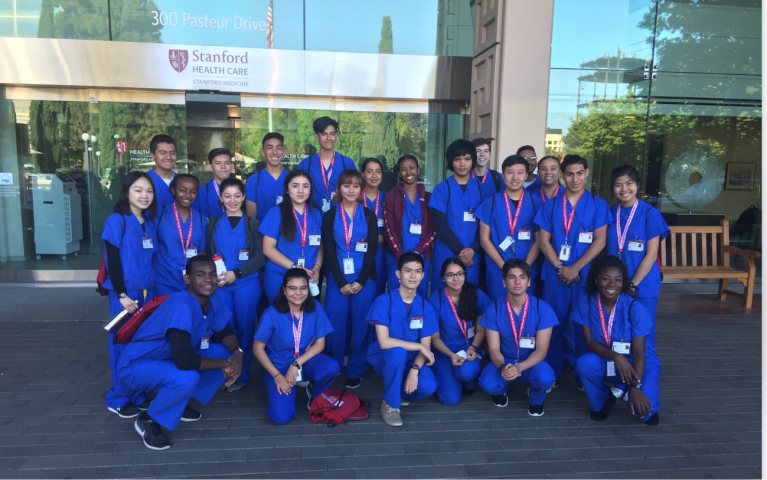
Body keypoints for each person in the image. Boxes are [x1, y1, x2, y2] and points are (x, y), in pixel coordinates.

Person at [118, 255, 244, 450]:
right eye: (200, 275)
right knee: (187, 377)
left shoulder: (211, 302)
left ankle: (176, 401)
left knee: (221, 351)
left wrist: (237, 353)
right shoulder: (181, 304)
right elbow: (185, 360)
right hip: (138, 365)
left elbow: (225, 331)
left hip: (167, 360)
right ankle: (148, 420)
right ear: (187, 279)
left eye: (212, 274)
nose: (208, 279)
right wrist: (228, 365)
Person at [534, 155, 611, 386]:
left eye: (579, 173)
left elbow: (600, 241)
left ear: (587, 173)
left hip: (586, 277)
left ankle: (583, 374)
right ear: (561, 175)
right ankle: (552, 372)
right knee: (552, 325)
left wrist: (575, 268)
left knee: (583, 327)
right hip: (555, 277)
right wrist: (561, 267)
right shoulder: (551, 205)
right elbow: (543, 241)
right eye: (569, 174)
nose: (574, 179)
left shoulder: (598, 204)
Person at [571, 255, 661, 425]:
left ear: (623, 282)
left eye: (618, 280)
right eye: (606, 279)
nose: (612, 284)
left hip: (638, 361)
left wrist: (636, 386)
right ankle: (603, 400)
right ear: (596, 280)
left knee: (647, 414)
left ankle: (632, 388)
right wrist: (617, 357)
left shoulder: (635, 308)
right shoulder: (586, 304)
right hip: (609, 359)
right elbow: (589, 344)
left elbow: (640, 352)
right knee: (584, 364)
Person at [101, 171, 157, 419]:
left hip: (148, 290)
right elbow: (112, 259)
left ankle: (137, 393)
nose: (144, 195)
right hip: (127, 294)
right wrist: (122, 293)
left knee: (142, 343)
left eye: (149, 191)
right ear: (126, 192)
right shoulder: (117, 221)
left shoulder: (149, 222)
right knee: (121, 343)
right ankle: (118, 397)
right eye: (138, 190)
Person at [253, 269, 339, 425]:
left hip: (304, 361)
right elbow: (257, 348)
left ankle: (315, 393)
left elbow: (320, 345)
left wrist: (296, 363)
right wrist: (277, 376)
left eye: (303, 287)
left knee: (331, 366)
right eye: (292, 288)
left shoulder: (315, 308)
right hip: (279, 366)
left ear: (308, 288)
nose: (298, 293)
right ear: (284, 290)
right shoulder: (271, 313)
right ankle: (283, 389)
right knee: (281, 417)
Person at [206, 178, 266, 392]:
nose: (233, 201)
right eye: (227, 196)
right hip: (220, 285)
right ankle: (224, 370)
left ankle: (243, 373)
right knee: (223, 328)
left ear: (244, 197)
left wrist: (237, 273)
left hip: (246, 283)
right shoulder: (212, 224)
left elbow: (260, 258)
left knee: (245, 328)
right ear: (220, 198)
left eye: (237, 196)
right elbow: (207, 255)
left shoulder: (253, 224)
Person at [322, 169, 379, 388]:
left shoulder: (368, 215)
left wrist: (361, 281)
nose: (351, 190)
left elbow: (372, 250)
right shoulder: (330, 215)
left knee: (362, 325)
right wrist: (341, 282)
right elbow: (328, 250)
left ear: (361, 189)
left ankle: (357, 368)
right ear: (339, 189)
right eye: (346, 186)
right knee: (335, 322)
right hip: (338, 277)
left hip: (363, 277)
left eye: (356, 186)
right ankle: (334, 365)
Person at [367, 252, 438, 427]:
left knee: (428, 386)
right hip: (386, 357)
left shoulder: (426, 308)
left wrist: (415, 369)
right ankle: (391, 405)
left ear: (423, 275)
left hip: (412, 360)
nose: (413, 275)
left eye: (417, 271)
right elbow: (384, 342)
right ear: (398, 274)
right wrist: (418, 347)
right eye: (408, 270)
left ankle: (399, 391)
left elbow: (426, 347)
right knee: (398, 353)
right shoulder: (383, 301)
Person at [478, 260, 557, 414]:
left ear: (529, 282)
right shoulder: (494, 309)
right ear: (503, 282)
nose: (517, 282)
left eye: (522, 277)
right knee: (487, 382)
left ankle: (536, 400)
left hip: (533, 362)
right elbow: (493, 349)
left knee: (545, 378)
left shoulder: (543, 309)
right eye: (511, 277)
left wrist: (519, 367)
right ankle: (499, 392)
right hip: (505, 360)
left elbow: (541, 351)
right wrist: (502, 367)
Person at [607, 165, 669, 343]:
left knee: (643, 328)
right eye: (618, 185)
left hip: (643, 283)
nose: (624, 189)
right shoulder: (610, 214)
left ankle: (644, 368)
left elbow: (651, 255)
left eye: (629, 183)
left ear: (638, 185)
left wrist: (633, 285)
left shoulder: (650, 214)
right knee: (617, 326)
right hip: (615, 283)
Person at [427, 258, 491, 405]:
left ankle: (469, 381)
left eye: (459, 274)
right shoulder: (435, 300)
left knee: (466, 373)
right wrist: (450, 355)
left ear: (465, 275)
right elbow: (435, 338)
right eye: (450, 275)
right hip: (444, 351)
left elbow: (481, 329)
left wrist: (473, 347)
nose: (456, 279)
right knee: (450, 399)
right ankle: (448, 375)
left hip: (469, 346)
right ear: (443, 277)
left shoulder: (475, 294)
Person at [478, 155, 542, 300]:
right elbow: (484, 239)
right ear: (502, 175)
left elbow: (540, 240)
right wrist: (504, 267)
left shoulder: (536, 204)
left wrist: (524, 268)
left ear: (526, 175)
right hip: (498, 269)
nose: (515, 177)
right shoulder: (491, 203)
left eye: (520, 172)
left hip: (527, 268)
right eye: (509, 172)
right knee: (498, 309)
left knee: (525, 311)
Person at [260, 170, 323, 304]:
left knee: (303, 319)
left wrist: (316, 268)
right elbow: (267, 249)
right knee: (281, 318)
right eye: (295, 186)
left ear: (310, 190)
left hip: (307, 278)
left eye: (305, 186)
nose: (300, 190)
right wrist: (295, 268)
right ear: (287, 189)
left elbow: (320, 247)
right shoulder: (276, 213)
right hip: (279, 277)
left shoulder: (316, 214)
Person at [429, 139, 483, 292]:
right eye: (457, 159)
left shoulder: (483, 190)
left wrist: (472, 250)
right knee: (443, 299)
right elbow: (440, 226)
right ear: (450, 162)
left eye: (467, 159)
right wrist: (463, 253)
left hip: (472, 256)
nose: (462, 163)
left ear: (473, 161)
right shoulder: (442, 189)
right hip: (447, 254)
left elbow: (485, 226)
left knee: (469, 299)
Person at [383, 155, 435, 299]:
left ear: (418, 170)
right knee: (397, 296)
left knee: (420, 296)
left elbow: (433, 228)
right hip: (396, 256)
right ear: (399, 173)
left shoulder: (428, 197)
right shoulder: (391, 196)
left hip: (422, 255)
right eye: (403, 169)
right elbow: (389, 229)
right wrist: (401, 255)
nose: (408, 172)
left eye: (412, 168)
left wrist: (419, 251)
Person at [152, 174, 207, 296]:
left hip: (190, 283)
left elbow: (202, 252)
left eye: (193, 191)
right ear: (173, 190)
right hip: (163, 280)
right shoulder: (159, 215)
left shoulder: (200, 218)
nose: (187, 195)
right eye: (182, 190)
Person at [296, 117, 357, 212]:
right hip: (312, 218)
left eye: (332, 134)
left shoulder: (347, 163)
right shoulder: (306, 165)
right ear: (316, 137)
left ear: (336, 136)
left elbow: (357, 191)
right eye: (324, 134)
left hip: (340, 219)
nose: (329, 138)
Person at [245, 133, 289, 222]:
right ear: (263, 152)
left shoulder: (293, 178)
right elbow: (251, 218)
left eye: (279, 148)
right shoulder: (253, 181)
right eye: (269, 148)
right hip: (261, 234)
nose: (275, 152)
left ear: (284, 152)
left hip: (289, 234)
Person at [361, 157, 387, 296]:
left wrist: (382, 238)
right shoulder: (354, 197)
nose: (374, 175)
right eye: (369, 171)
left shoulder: (388, 199)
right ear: (362, 174)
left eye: (378, 171)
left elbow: (396, 227)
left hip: (380, 254)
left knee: (378, 293)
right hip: (358, 252)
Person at [194, 148, 234, 220]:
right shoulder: (202, 192)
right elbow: (203, 220)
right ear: (210, 167)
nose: (223, 167)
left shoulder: (242, 189)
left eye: (227, 163)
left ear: (232, 166)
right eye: (218, 163)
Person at [146, 134, 178, 207]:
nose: (169, 157)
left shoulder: (182, 181)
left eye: (172, 153)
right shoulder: (144, 181)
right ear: (152, 155)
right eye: (163, 153)